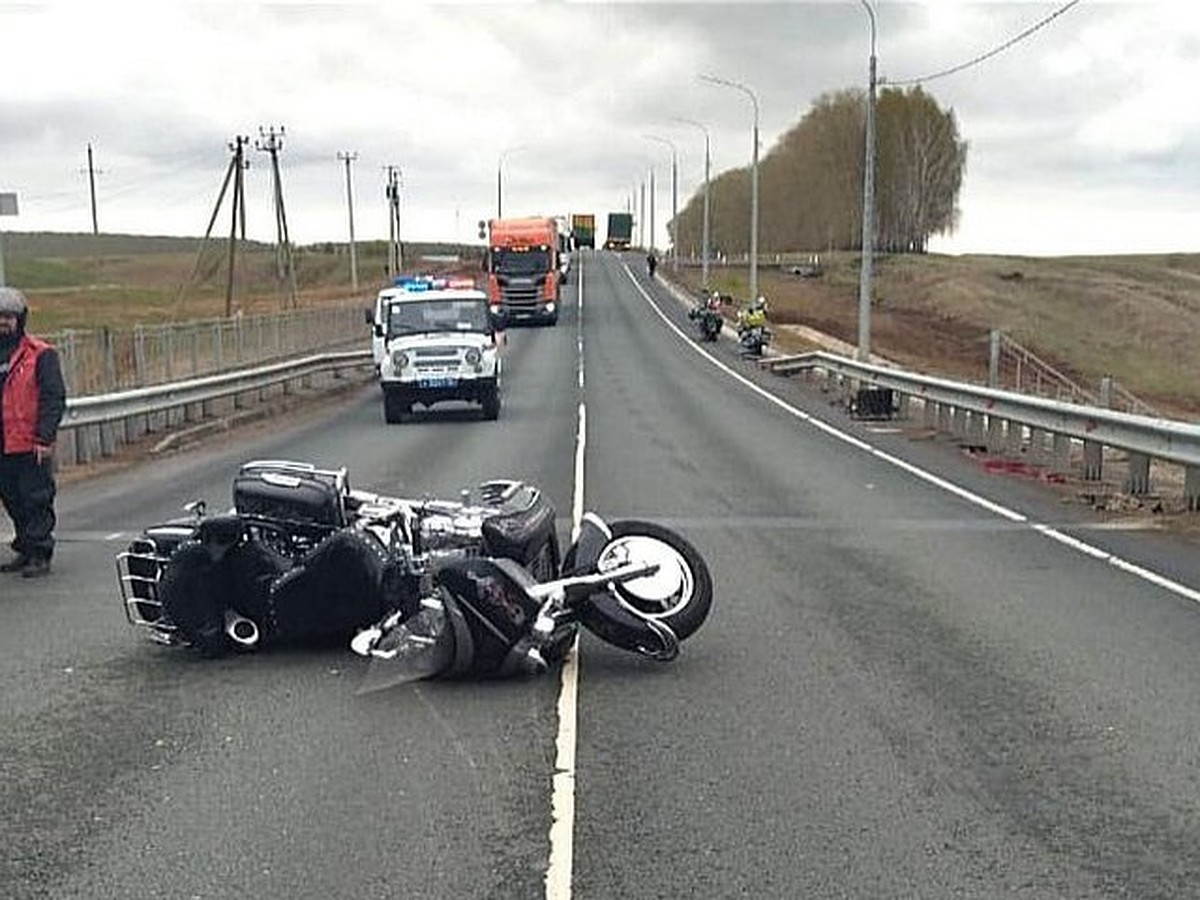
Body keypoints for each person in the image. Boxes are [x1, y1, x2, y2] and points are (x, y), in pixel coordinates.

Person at [0, 287, 67, 578]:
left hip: (29, 442)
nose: (3, 323)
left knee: (36, 498)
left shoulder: (41, 354)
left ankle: (40, 552)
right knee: (12, 498)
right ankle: (25, 548)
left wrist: (44, 436)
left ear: (20, 320)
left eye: (8, 317)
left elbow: (53, 397)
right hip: (2, 443)